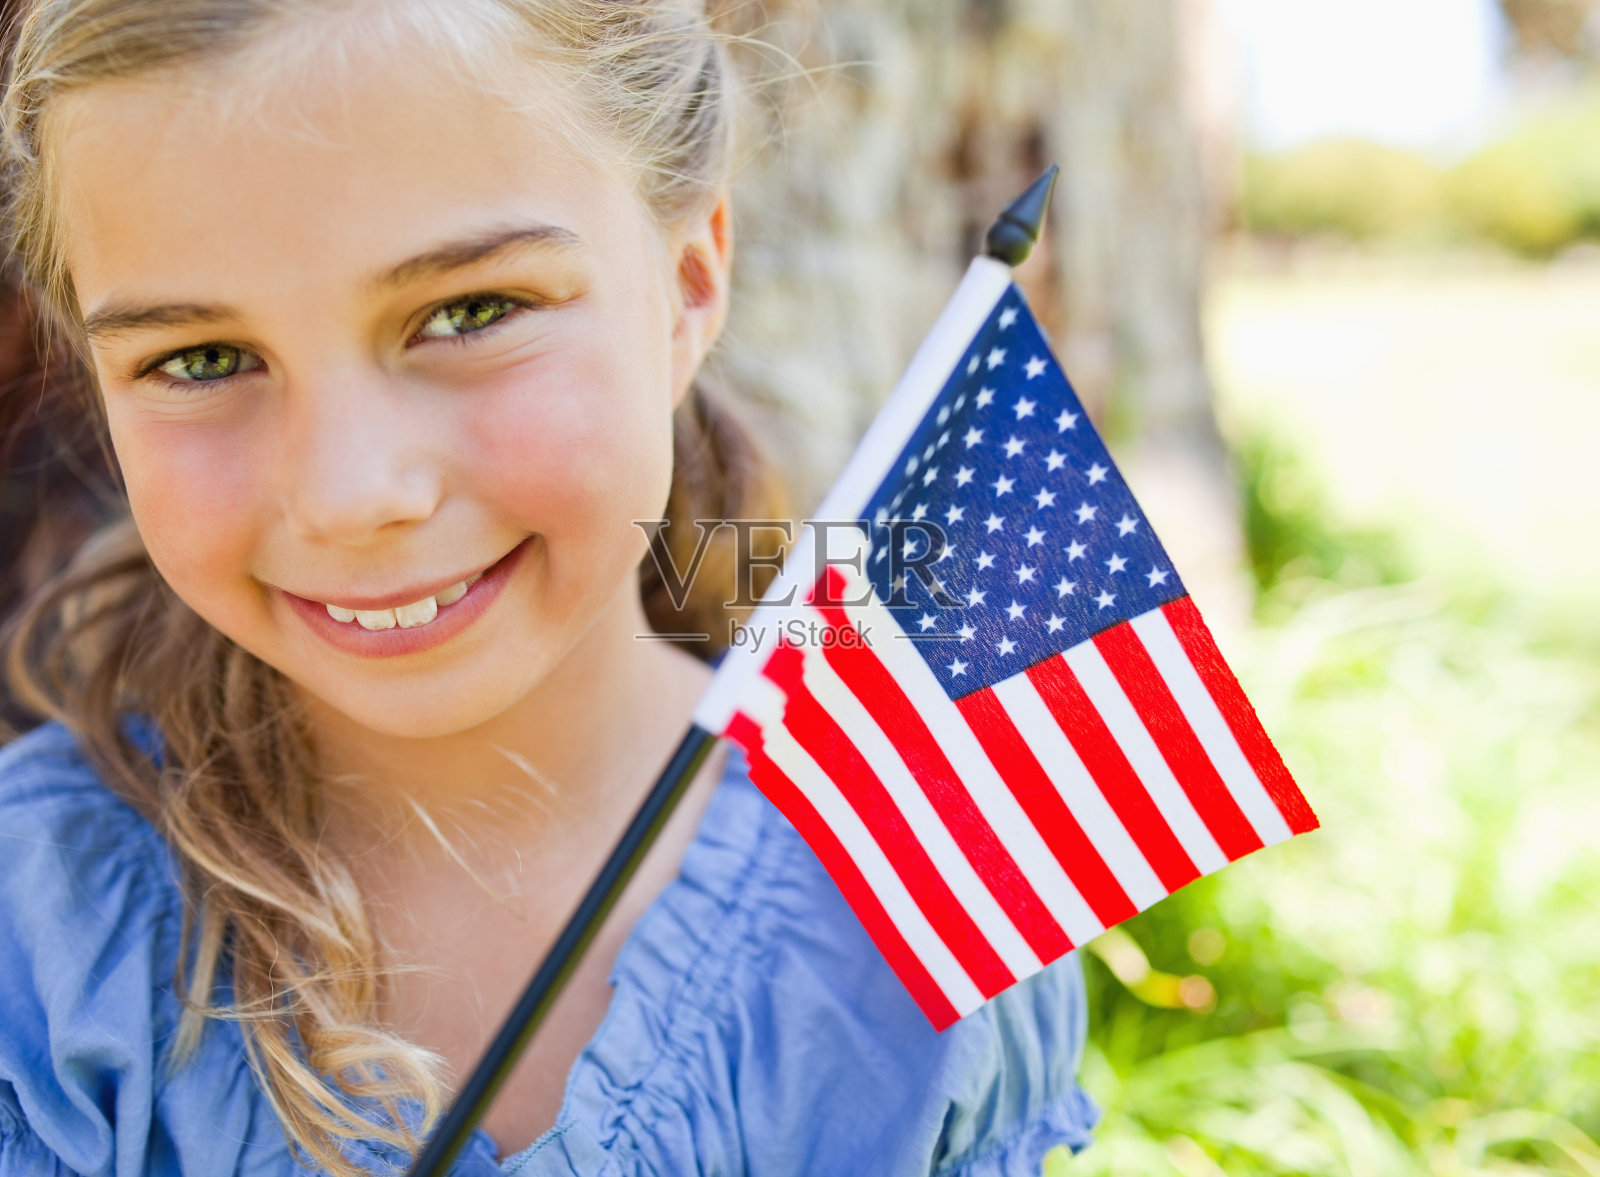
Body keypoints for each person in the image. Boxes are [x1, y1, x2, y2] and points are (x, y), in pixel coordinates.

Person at [0, 1, 1099, 1173]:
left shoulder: (930, 901)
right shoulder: (42, 949)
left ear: (686, 281)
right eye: (201, 359)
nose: (350, 493)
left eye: (468, 312)